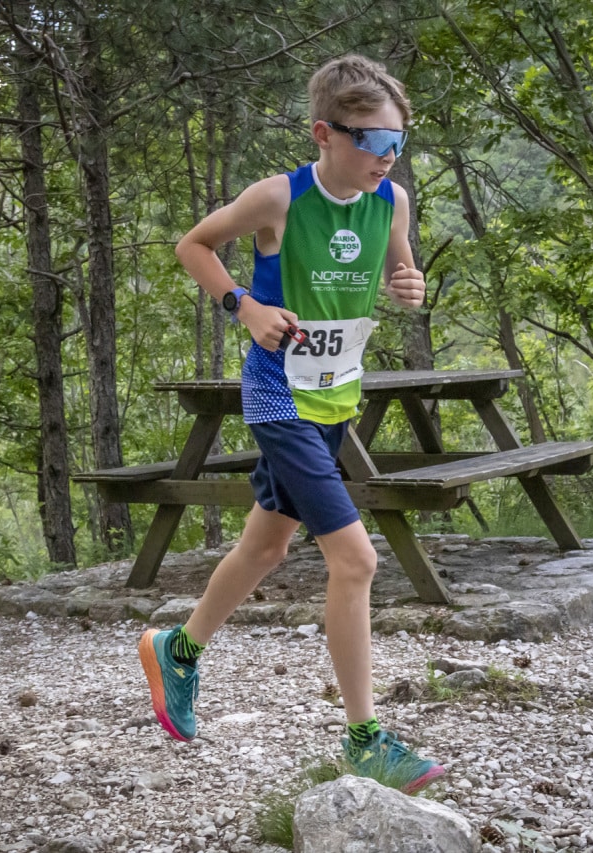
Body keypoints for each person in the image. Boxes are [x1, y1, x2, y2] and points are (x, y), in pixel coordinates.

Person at [138, 54, 444, 795]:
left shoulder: (392, 201)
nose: (387, 156)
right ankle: (365, 740)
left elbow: (400, 273)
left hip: (336, 398)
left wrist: (408, 284)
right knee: (357, 560)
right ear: (324, 134)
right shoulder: (278, 197)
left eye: (397, 142)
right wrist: (244, 306)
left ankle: (177, 649)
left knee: (268, 545)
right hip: (278, 396)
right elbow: (192, 245)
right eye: (373, 141)